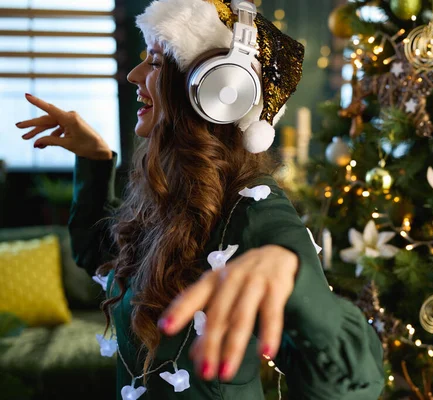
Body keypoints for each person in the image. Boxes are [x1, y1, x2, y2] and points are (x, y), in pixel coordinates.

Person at [15, 0, 385, 399]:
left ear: (215, 86)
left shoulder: (258, 210)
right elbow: (100, 258)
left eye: (156, 62)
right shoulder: (170, 195)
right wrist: (93, 160)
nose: (134, 74)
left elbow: (357, 385)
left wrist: (295, 280)